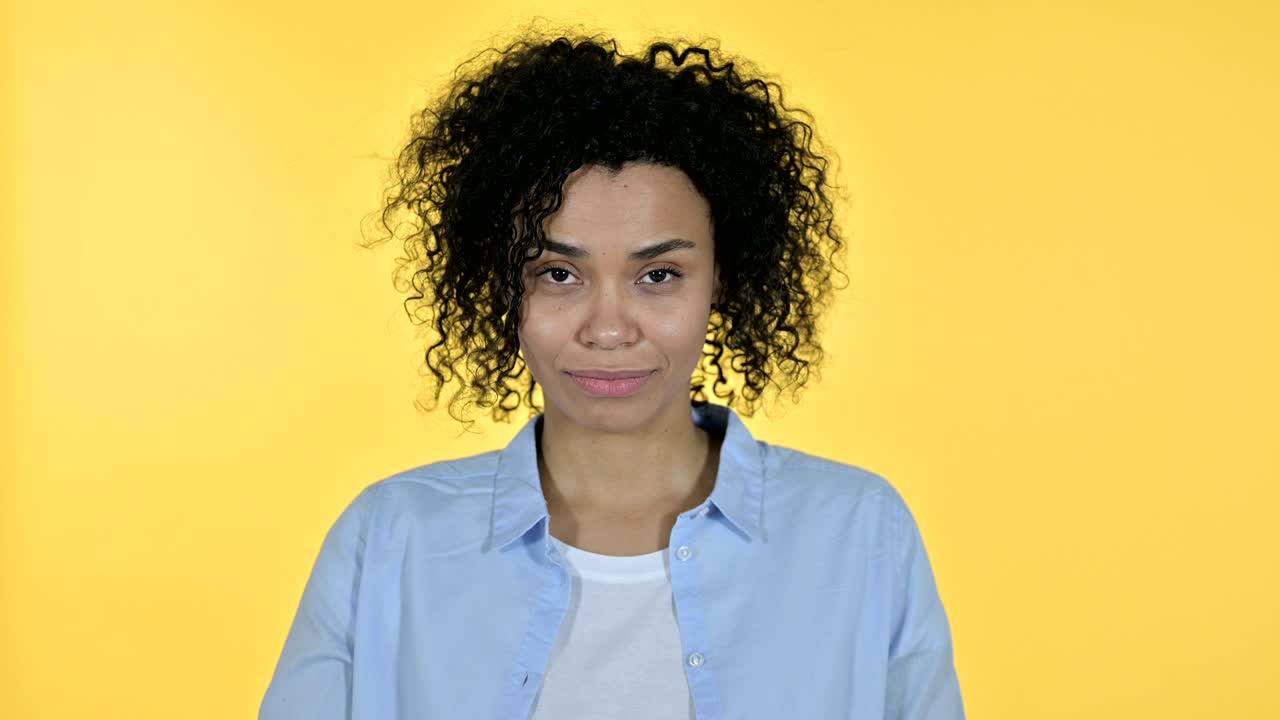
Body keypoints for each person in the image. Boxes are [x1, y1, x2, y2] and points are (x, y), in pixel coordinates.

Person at [260, 29, 965, 720]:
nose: (607, 327)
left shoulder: (858, 533)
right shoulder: (389, 540)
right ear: (504, 288)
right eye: (558, 273)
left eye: (658, 275)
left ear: (724, 279)